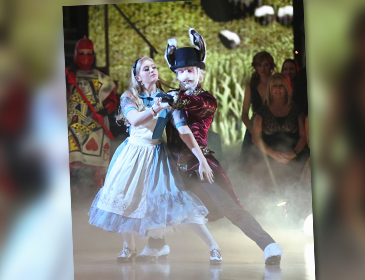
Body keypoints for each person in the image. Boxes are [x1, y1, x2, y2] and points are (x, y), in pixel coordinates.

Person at [138, 28, 283, 265]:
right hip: (170, 163)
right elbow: (156, 126)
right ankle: (156, 245)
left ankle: (268, 245)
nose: (185, 76)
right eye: (181, 71)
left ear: (199, 73)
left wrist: (168, 100)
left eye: (190, 71)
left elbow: (187, 102)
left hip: (199, 163)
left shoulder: (206, 99)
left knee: (228, 207)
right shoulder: (169, 96)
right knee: (157, 203)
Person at [88, 57, 223, 264]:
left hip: (155, 155)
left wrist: (201, 159)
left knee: (176, 203)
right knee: (125, 199)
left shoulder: (169, 98)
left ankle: (213, 246)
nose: (152, 70)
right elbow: (134, 119)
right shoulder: (129, 96)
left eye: (154, 67)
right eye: (146, 68)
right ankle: (129, 247)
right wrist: (155, 108)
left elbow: (183, 129)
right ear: (138, 77)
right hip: (132, 153)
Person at [67, 36, 118, 187]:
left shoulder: (101, 77)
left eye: (89, 53)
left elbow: (113, 101)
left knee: (100, 166)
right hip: (72, 124)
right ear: (76, 53)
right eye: (82, 53)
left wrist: (102, 113)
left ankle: (102, 199)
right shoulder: (68, 76)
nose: (85, 57)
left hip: (96, 124)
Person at [251, 73, 309, 193]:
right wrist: (273, 154)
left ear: (287, 88)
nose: (277, 89)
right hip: (268, 158)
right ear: (270, 89)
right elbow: (256, 138)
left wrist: (294, 153)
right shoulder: (262, 111)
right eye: (274, 86)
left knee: (295, 190)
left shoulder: (296, 109)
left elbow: (304, 136)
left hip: (293, 157)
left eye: (281, 86)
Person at [239, 52, 276, 172]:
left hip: (276, 126)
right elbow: (244, 114)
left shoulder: (278, 84)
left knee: (275, 164)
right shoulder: (251, 87)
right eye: (259, 65)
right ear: (255, 67)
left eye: (266, 65)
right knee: (252, 167)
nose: (263, 69)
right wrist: (253, 131)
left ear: (271, 66)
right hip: (255, 127)